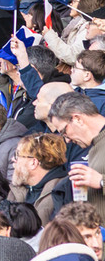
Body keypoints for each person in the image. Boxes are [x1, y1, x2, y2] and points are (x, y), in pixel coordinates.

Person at [47, 90, 105, 218]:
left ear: (77, 119)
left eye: (64, 131)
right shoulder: (93, 145)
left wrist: (101, 181)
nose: (66, 140)